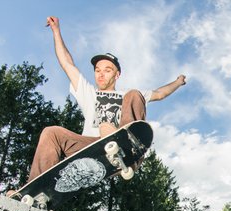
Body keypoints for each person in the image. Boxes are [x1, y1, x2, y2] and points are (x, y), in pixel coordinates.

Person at [21, 16, 187, 185]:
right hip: (90, 149)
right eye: (97, 70)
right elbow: (67, 63)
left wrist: (178, 82)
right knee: (51, 132)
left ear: (117, 74)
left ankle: (127, 146)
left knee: (133, 96)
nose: (100, 74)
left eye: (107, 70)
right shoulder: (88, 92)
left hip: (121, 149)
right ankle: (35, 192)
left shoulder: (127, 96)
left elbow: (160, 93)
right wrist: (56, 32)